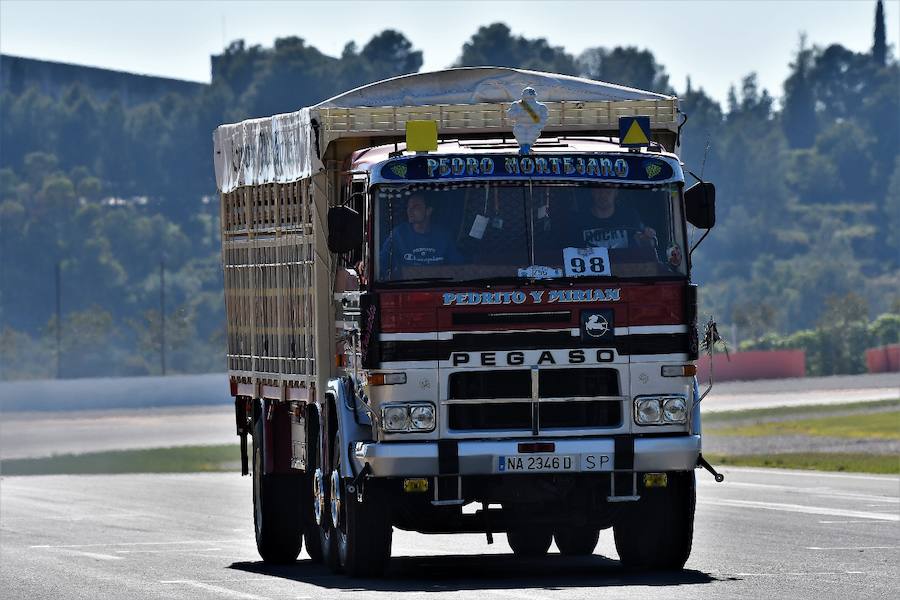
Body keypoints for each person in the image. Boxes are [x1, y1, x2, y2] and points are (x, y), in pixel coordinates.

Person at [379, 193, 462, 278]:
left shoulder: (443, 236)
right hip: (406, 287)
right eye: (408, 207)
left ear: (428, 211)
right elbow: (381, 262)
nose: (409, 211)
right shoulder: (398, 234)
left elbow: (458, 267)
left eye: (415, 207)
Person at [572, 187, 656, 249]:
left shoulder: (629, 216)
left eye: (608, 191)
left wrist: (646, 238)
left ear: (616, 192)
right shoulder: (578, 221)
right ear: (592, 192)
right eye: (599, 190)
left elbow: (645, 246)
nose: (603, 195)